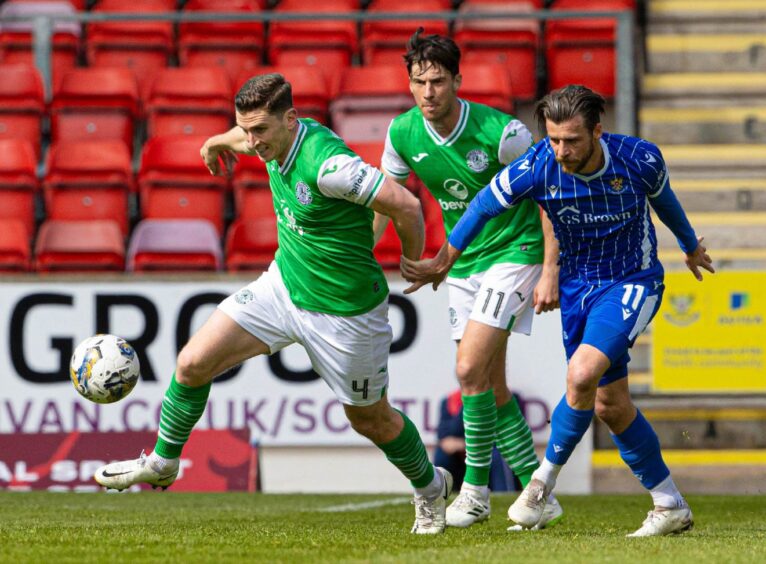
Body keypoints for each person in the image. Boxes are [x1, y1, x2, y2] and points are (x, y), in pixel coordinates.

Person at [94, 73, 453, 535]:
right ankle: (164, 462)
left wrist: (414, 260)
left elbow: (403, 203)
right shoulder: (265, 138)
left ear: (291, 119)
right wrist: (217, 141)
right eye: (247, 129)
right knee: (192, 363)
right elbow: (242, 139)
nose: (253, 140)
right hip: (282, 286)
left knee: (369, 418)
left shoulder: (329, 165)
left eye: (261, 130)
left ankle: (430, 488)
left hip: (345, 313)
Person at [401, 84, 715, 536]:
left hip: (631, 281)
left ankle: (539, 485)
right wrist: (444, 260)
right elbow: (483, 205)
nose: (562, 151)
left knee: (581, 375)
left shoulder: (638, 159)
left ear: (597, 132)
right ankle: (669, 503)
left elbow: (664, 201)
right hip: (576, 289)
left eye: (572, 140)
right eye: (554, 139)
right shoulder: (539, 166)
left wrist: (689, 246)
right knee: (609, 403)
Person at [376, 28, 563, 530]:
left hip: (514, 252)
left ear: (458, 80)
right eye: (419, 82)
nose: (428, 92)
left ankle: (475, 491)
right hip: (462, 263)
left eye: (438, 81)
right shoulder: (402, 133)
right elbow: (387, 199)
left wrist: (549, 268)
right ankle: (535, 492)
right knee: (491, 386)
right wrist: (366, 252)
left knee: (466, 370)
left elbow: (548, 197)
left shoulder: (502, 133)